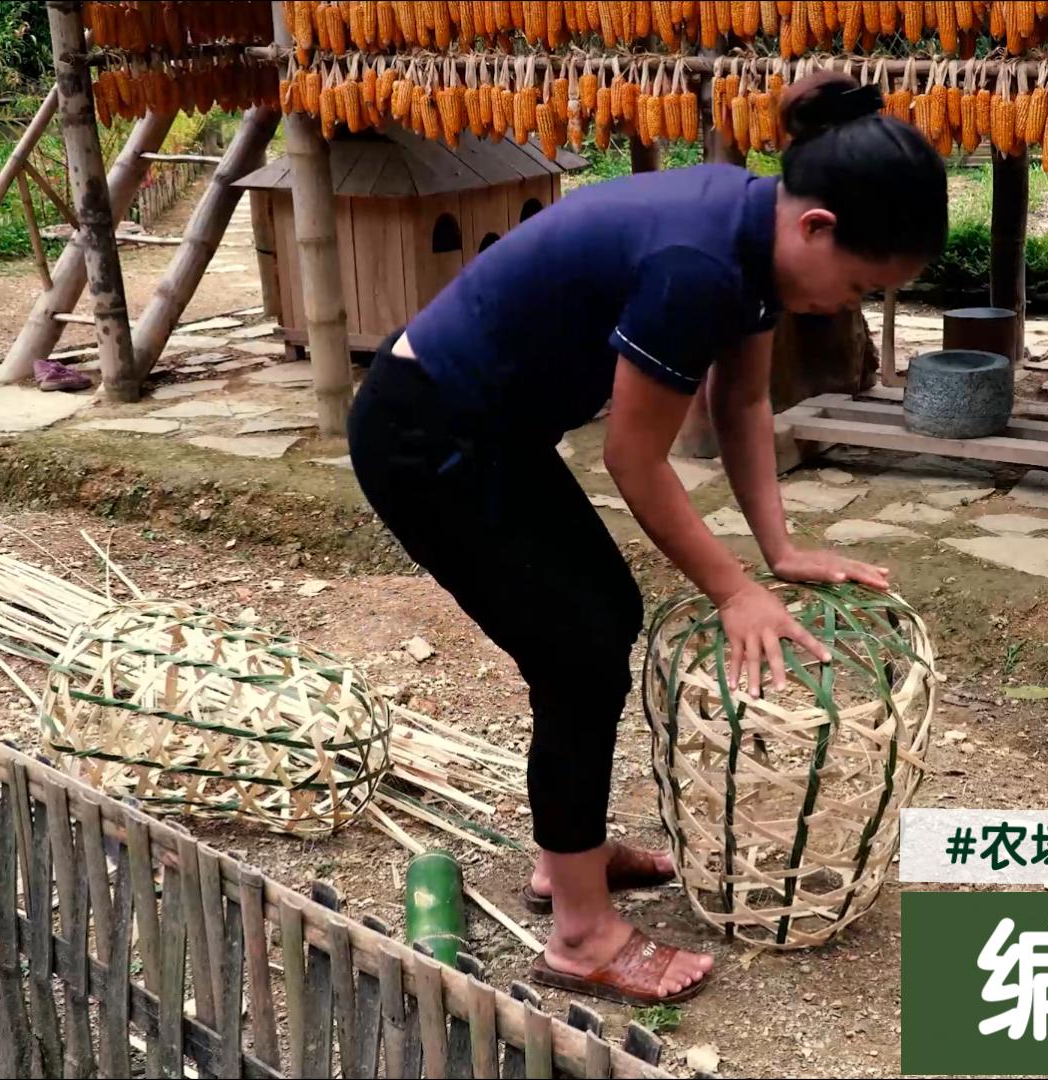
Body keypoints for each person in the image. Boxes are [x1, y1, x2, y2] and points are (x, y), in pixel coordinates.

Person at [347, 72, 947, 1006]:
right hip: (424, 436)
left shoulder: (757, 239)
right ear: (818, 227)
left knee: (602, 618)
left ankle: (566, 860)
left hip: (490, 428)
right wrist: (732, 590)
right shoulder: (699, 267)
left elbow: (742, 400)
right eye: (863, 285)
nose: (851, 304)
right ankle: (581, 933)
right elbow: (635, 459)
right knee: (579, 648)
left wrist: (777, 553)